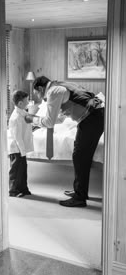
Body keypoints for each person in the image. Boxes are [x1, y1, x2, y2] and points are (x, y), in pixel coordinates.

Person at [32, 76, 104, 207]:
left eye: (36, 93)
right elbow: (59, 119)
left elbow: (49, 122)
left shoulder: (53, 92)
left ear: (41, 88)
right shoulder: (61, 86)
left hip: (92, 118)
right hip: (93, 116)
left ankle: (80, 198)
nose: (37, 96)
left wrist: (33, 120)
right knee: (80, 155)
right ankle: (80, 191)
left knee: (80, 156)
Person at [8, 90, 34, 197]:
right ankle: (13, 190)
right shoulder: (16, 117)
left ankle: (23, 188)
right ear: (20, 103)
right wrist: (23, 151)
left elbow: (29, 118)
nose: (28, 102)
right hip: (16, 148)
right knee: (16, 171)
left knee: (23, 169)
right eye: (27, 101)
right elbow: (17, 137)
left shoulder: (23, 113)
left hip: (21, 148)